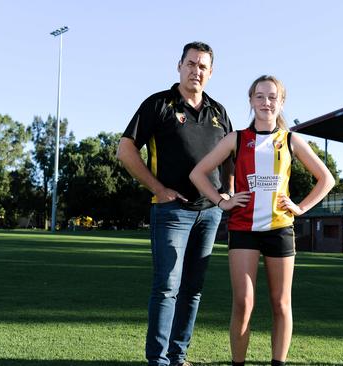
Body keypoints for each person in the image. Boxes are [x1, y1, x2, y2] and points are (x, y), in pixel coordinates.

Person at [190, 75, 334, 366]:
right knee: (243, 303)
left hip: (280, 229)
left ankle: (277, 363)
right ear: (251, 100)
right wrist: (223, 201)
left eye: (272, 97)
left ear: (281, 102)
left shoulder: (291, 139)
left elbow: (326, 179)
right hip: (243, 228)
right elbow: (198, 173)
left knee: (281, 304)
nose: (266, 102)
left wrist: (301, 207)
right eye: (260, 96)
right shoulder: (237, 138)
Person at [117, 41, 233, 366]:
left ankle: (178, 356)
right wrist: (158, 187)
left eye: (202, 66)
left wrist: (228, 192)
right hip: (171, 212)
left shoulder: (219, 112)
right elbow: (125, 150)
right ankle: (158, 360)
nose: (196, 71)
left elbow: (231, 158)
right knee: (167, 285)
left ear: (211, 73)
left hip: (209, 215)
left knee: (193, 289)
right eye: (191, 64)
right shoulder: (158, 105)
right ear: (179, 66)